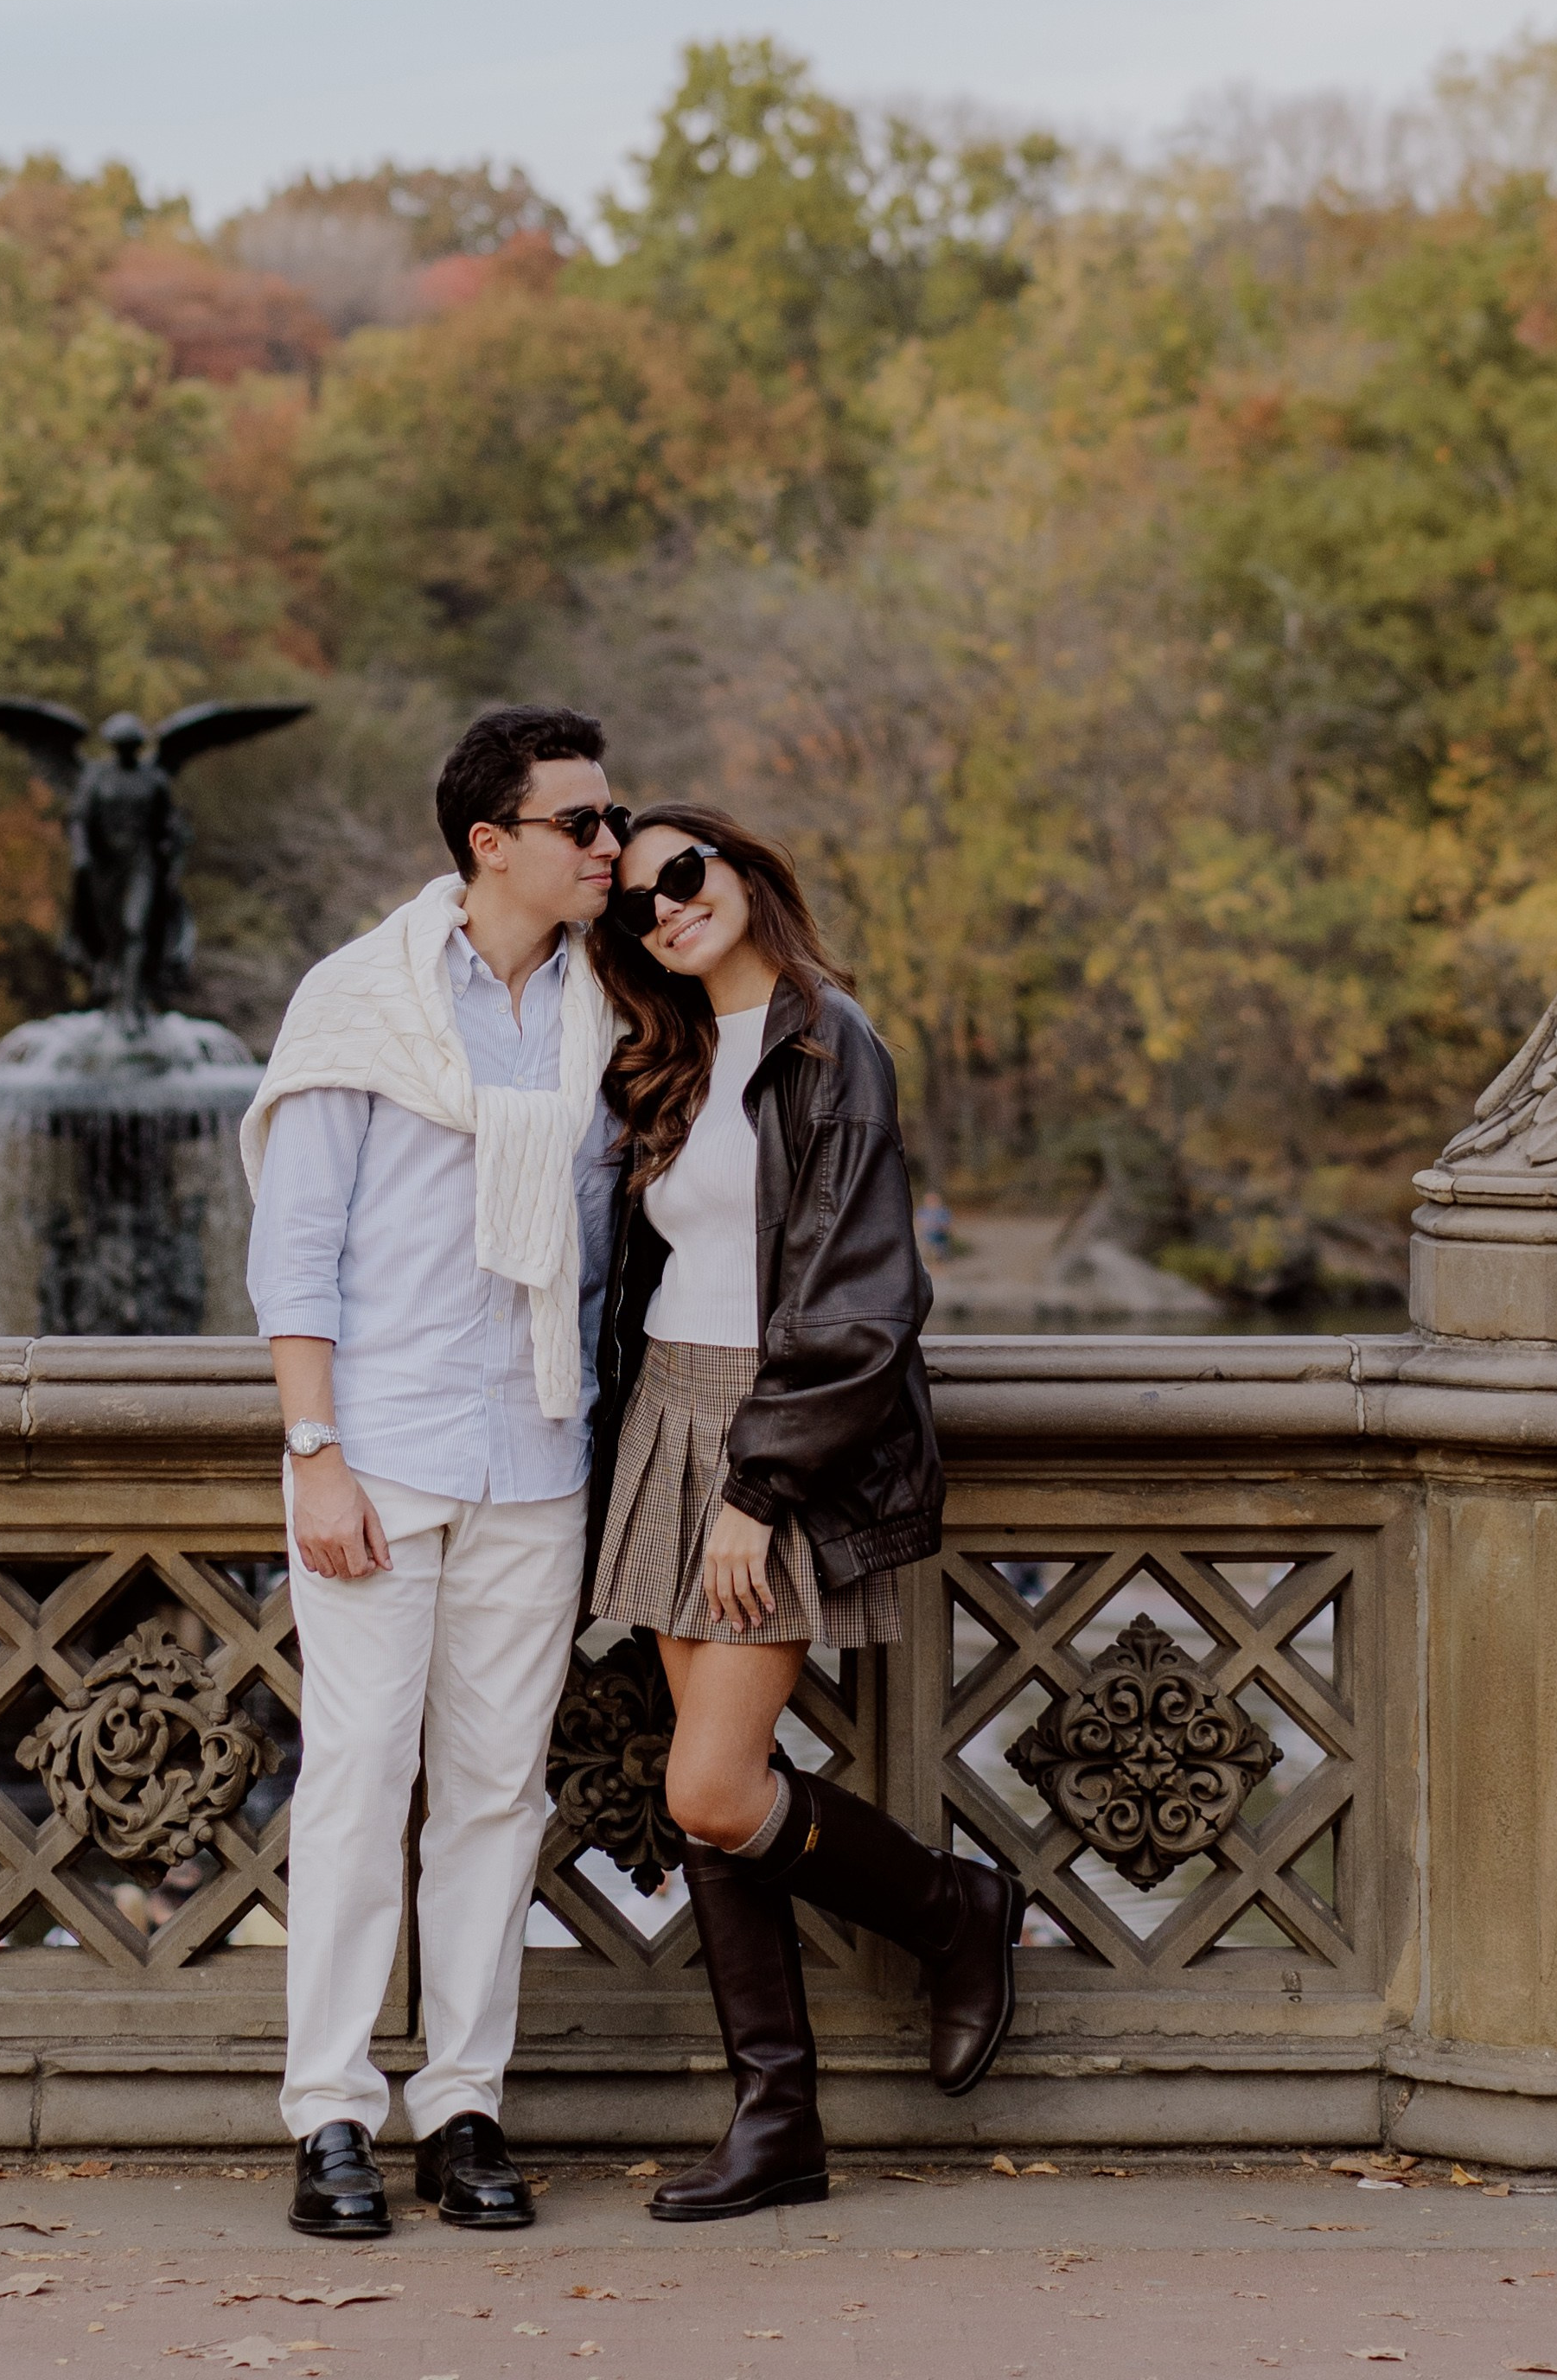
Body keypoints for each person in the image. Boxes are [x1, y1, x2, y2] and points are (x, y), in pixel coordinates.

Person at [585, 804, 1024, 2224]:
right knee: (716, 1813)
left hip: (774, 1436)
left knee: (711, 1790)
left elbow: (862, 1301)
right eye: (637, 903)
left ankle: (957, 1911)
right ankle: (778, 2120)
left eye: (685, 876)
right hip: (667, 1418)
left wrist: (758, 1489)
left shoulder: (835, 1043)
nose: (666, 909)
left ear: (748, 869)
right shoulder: (674, 1056)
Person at [240, 705, 626, 2242]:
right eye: (582, 825)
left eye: (610, 820)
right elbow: (297, 1247)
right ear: (494, 844)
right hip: (382, 1452)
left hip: (539, 1448)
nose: (611, 847)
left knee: (495, 1792)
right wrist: (315, 1455)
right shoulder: (361, 1000)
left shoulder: (618, 1008)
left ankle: (465, 2104)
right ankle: (328, 2112)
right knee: (353, 1779)